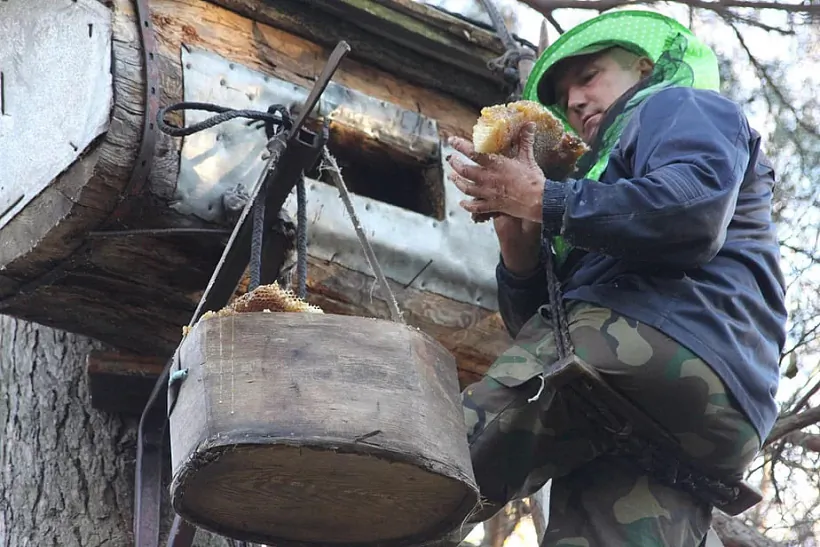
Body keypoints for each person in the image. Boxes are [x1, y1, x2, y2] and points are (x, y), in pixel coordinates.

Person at [446, 9, 787, 546]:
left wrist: (543, 199)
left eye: (589, 77)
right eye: (564, 99)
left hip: (652, 340)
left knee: (433, 461)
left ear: (644, 68)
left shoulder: (679, 104)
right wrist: (520, 254)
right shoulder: (601, 190)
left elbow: (691, 212)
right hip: (724, 414)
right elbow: (547, 329)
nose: (576, 101)